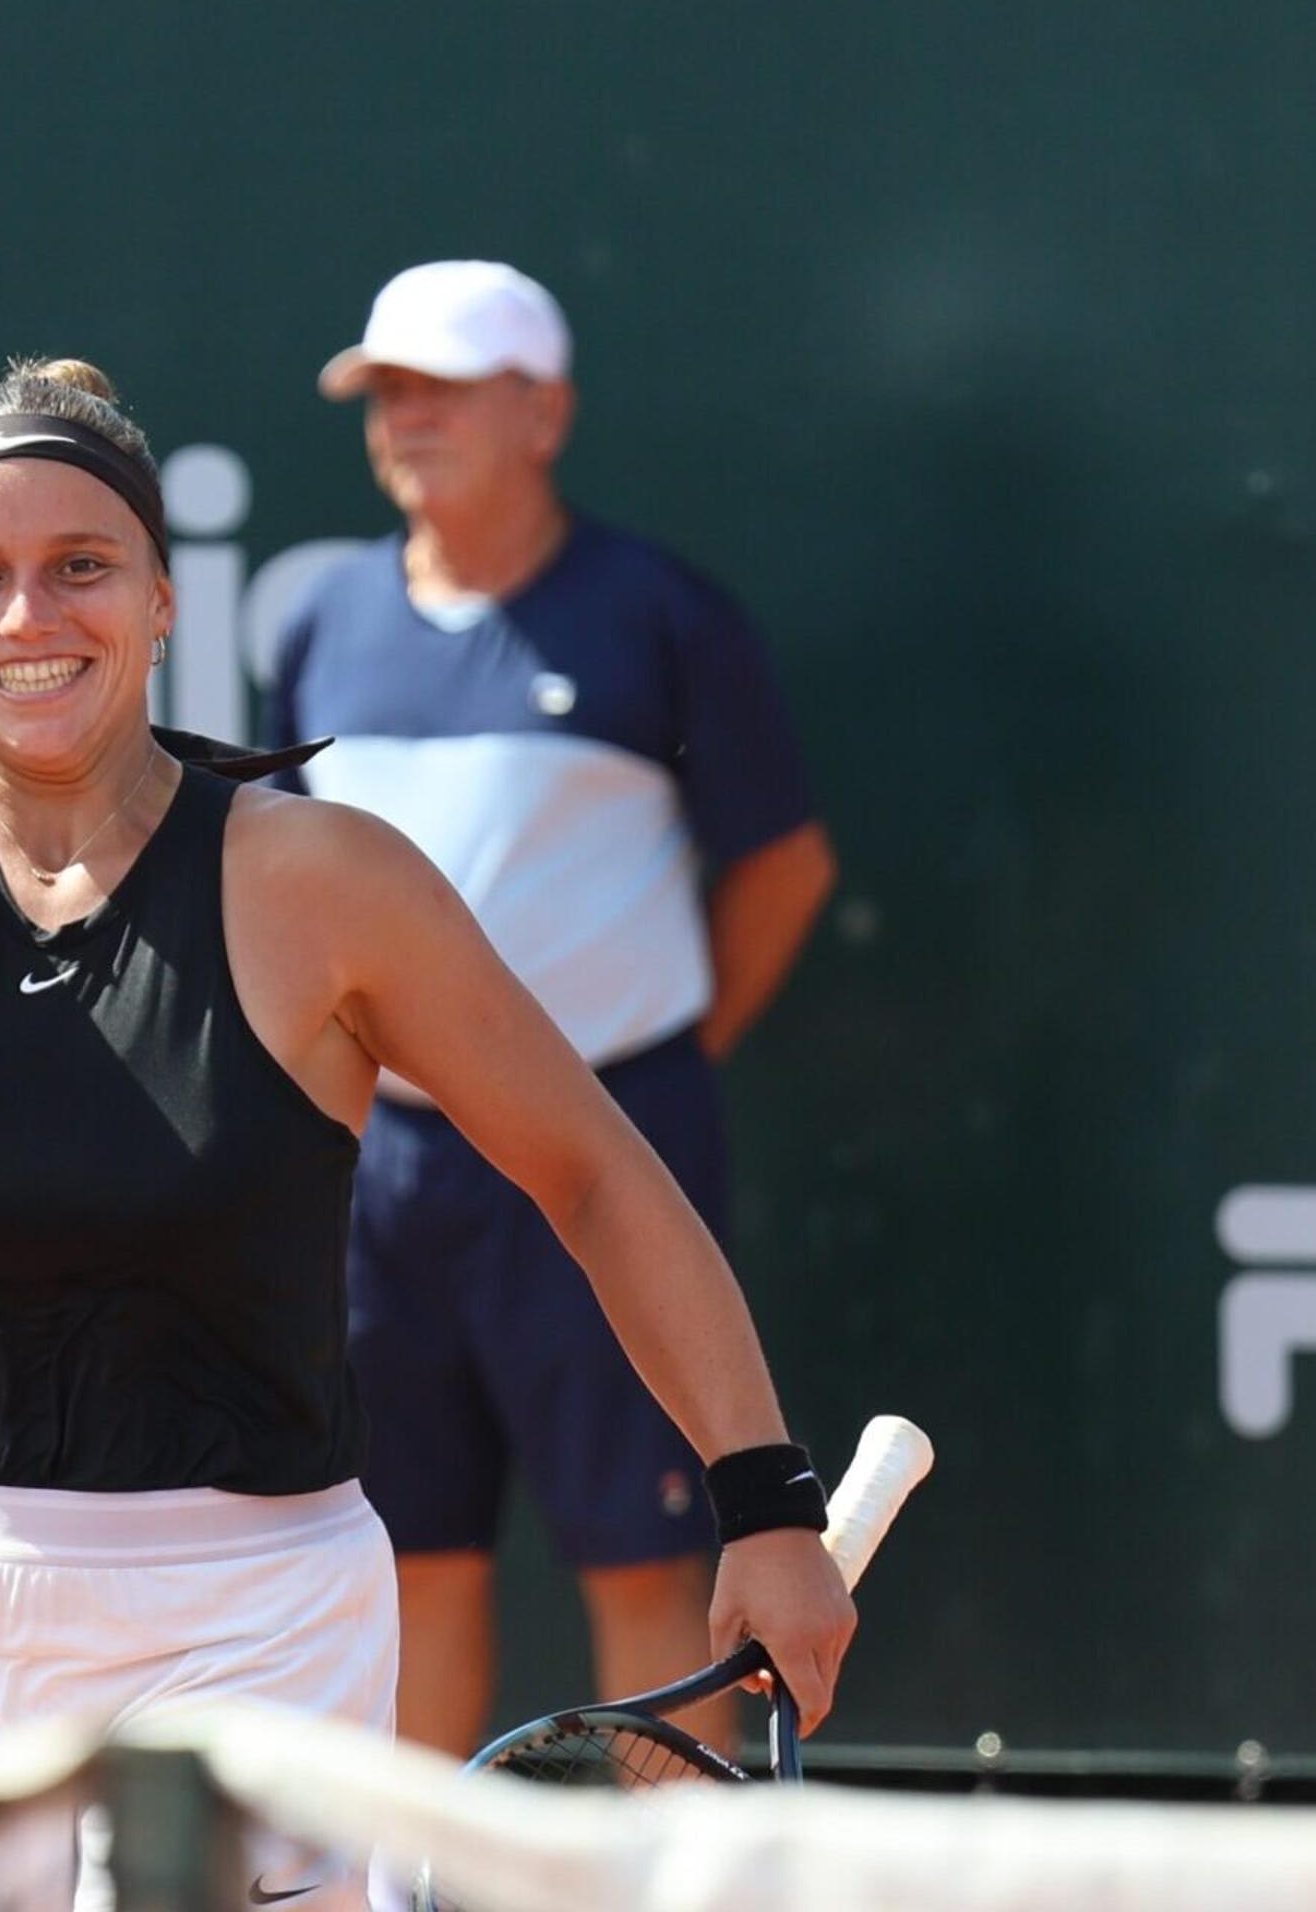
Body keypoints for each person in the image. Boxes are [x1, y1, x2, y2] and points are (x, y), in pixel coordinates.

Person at [0, 355, 855, 1909]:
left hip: (259, 1620)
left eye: (83, 568)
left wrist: (767, 1502)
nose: (30, 618)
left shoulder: (327, 881)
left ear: (166, 601)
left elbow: (591, 1170)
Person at [264, 263, 838, 1761]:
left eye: (443, 387)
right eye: (387, 391)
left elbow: (782, 868)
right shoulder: (320, 616)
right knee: (402, 1563)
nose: (408, 418)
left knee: (645, 1563)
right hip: (379, 1182)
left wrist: (651, 1065)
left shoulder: (657, 615)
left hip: (603, 1154)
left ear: (547, 413)